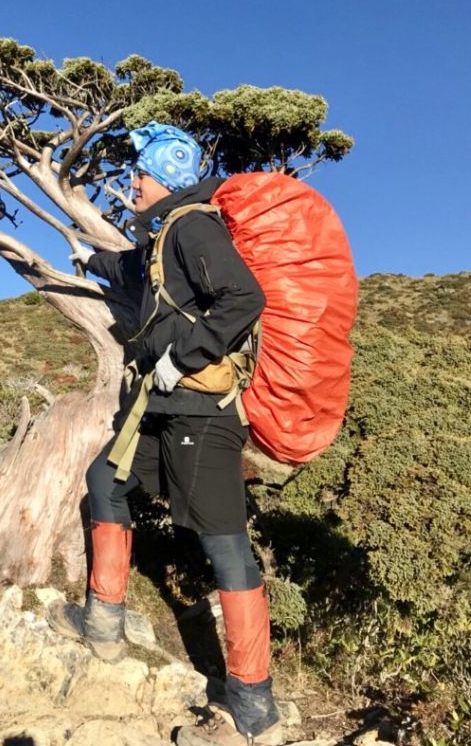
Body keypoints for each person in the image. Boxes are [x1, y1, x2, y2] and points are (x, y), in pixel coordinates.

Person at [48, 122, 283, 746]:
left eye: (141, 175)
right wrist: (91, 259)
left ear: (167, 179)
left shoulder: (194, 226)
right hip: (163, 407)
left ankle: (253, 703)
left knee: (224, 543)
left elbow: (242, 297)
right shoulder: (165, 236)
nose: (132, 183)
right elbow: (140, 274)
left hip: (200, 414)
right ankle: (103, 624)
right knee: (106, 478)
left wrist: (186, 356)